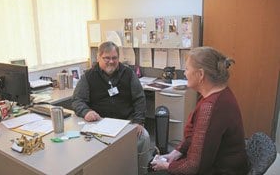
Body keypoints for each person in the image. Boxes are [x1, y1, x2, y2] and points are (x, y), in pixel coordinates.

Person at [149, 46, 249, 175]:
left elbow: (193, 168)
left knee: (155, 172)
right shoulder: (219, 93)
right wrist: (176, 153)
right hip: (222, 163)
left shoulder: (211, 107)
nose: (185, 73)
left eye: (187, 69)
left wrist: (166, 166)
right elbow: (196, 134)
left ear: (201, 74)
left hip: (222, 170)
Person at [72, 41, 151, 175]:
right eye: (106, 58)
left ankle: (141, 172)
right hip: (100, 124)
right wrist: (86, 111)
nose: (111, 61)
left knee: (144, 137)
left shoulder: (128, 73)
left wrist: (138, 121)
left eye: (114, 58)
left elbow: (139, 98)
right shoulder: (89, 76)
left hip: (127, 122)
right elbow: (77, 100)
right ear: (98, 58)